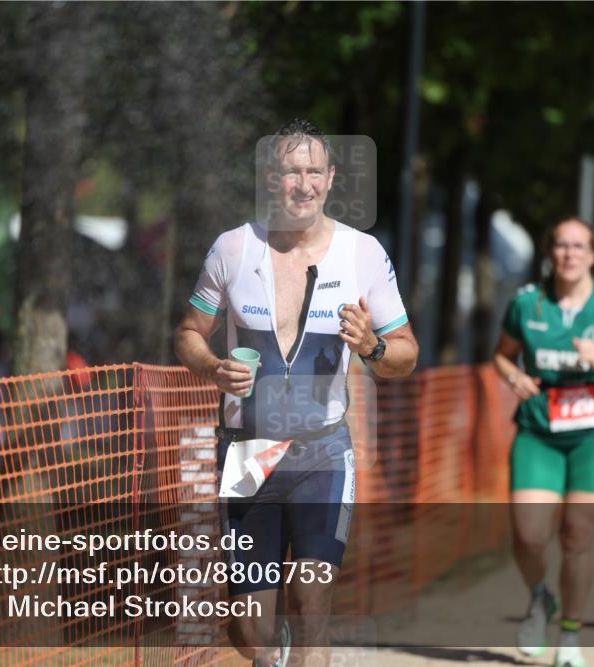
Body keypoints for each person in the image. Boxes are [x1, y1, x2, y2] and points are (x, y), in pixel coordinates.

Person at [175, 119, 418, 667]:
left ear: (331, 178)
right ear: (270, 177)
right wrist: (214, 368)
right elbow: (189, 332)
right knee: (248, 630)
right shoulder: (233, 249)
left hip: (323, 453)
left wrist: (373, 347)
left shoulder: (361, 254)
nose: (302, 183)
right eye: (290, 171)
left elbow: (407, 352)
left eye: (313, 171)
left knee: (311, 602)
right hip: (247, 451)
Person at [492, 217, 594, 667]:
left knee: (576, 536)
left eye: (579, 247)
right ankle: (539, 598)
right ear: (549, 252)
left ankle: (569, 638)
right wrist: (515, 376)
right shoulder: (527, 303)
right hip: (539, 433)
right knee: (528, 535)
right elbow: (501, 357)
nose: (569, 254)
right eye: (561, 246)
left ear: (593, 254)